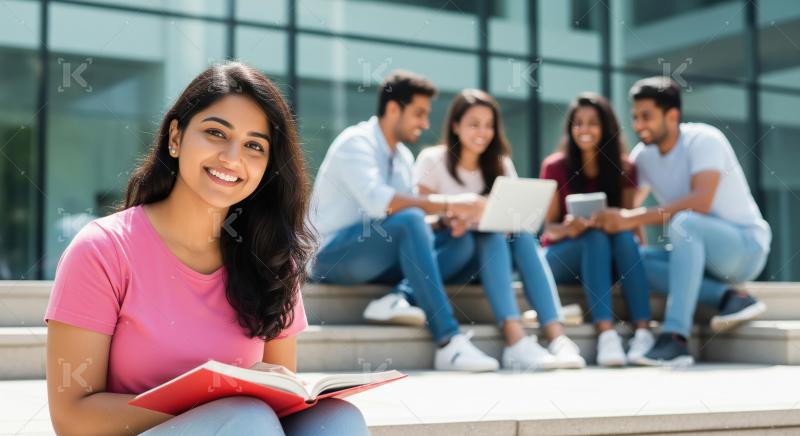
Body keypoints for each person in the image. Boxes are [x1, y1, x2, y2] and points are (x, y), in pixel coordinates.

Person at [45, 62, 369, 435]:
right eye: (216, 133)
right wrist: (214, 403)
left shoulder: (273, 259)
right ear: (175, 138)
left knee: (338, 419)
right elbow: (72, 418)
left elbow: (281, 393)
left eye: (254, 145)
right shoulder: (103, 249)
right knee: (247, 420)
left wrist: (240, 400)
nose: (232, 158)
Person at [308, 71, 500, 371]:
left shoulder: (403, 158)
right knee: (410, 218)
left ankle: (398, 298)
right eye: (419, 114)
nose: (425, 124)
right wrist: (451, 202)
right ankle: (448, 341)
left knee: (461, 243)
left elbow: (413, 221)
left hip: (378, 257)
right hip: (332, 257)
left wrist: (445, 222)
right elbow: (380, 203)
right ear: (393, 108)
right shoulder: (355, 142)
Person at [594, 77, 770, 366]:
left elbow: (700, 201)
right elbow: (629, 209)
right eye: (635, 117)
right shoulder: (644, 157)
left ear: (672, 115)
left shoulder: (704, 140)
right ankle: (729, 298)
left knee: (684, 222)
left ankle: (676, 337)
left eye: (647, 116)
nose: (638, 125)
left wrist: (629, 218)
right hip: (695, 256)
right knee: (631, 261)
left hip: (743, 249)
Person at [414, 89, 586, 370]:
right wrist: (452, 218)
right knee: (489, 233)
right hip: (451, 253)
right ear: (455, 125)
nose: (482, 132)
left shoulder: (501, 163)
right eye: (473, 124)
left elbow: (512, 217)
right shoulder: (432, 160)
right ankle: (515, 338)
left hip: (493, 261)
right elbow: (418, 224)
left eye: (488, 125)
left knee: (520, 234)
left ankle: (557, 336)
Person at [540, 93, 654, 367]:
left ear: (606, 127)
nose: (584, 130)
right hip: (562, 256)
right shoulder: (555, 166)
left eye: (592, 123)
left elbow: (632, 224)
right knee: (594, 236)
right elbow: (548, 230)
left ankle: (643, 331)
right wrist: (569, 228)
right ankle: (606, 333)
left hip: (609, 255)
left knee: (622, 236)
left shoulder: (625, 167)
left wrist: (617, 222)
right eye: (578, 123)